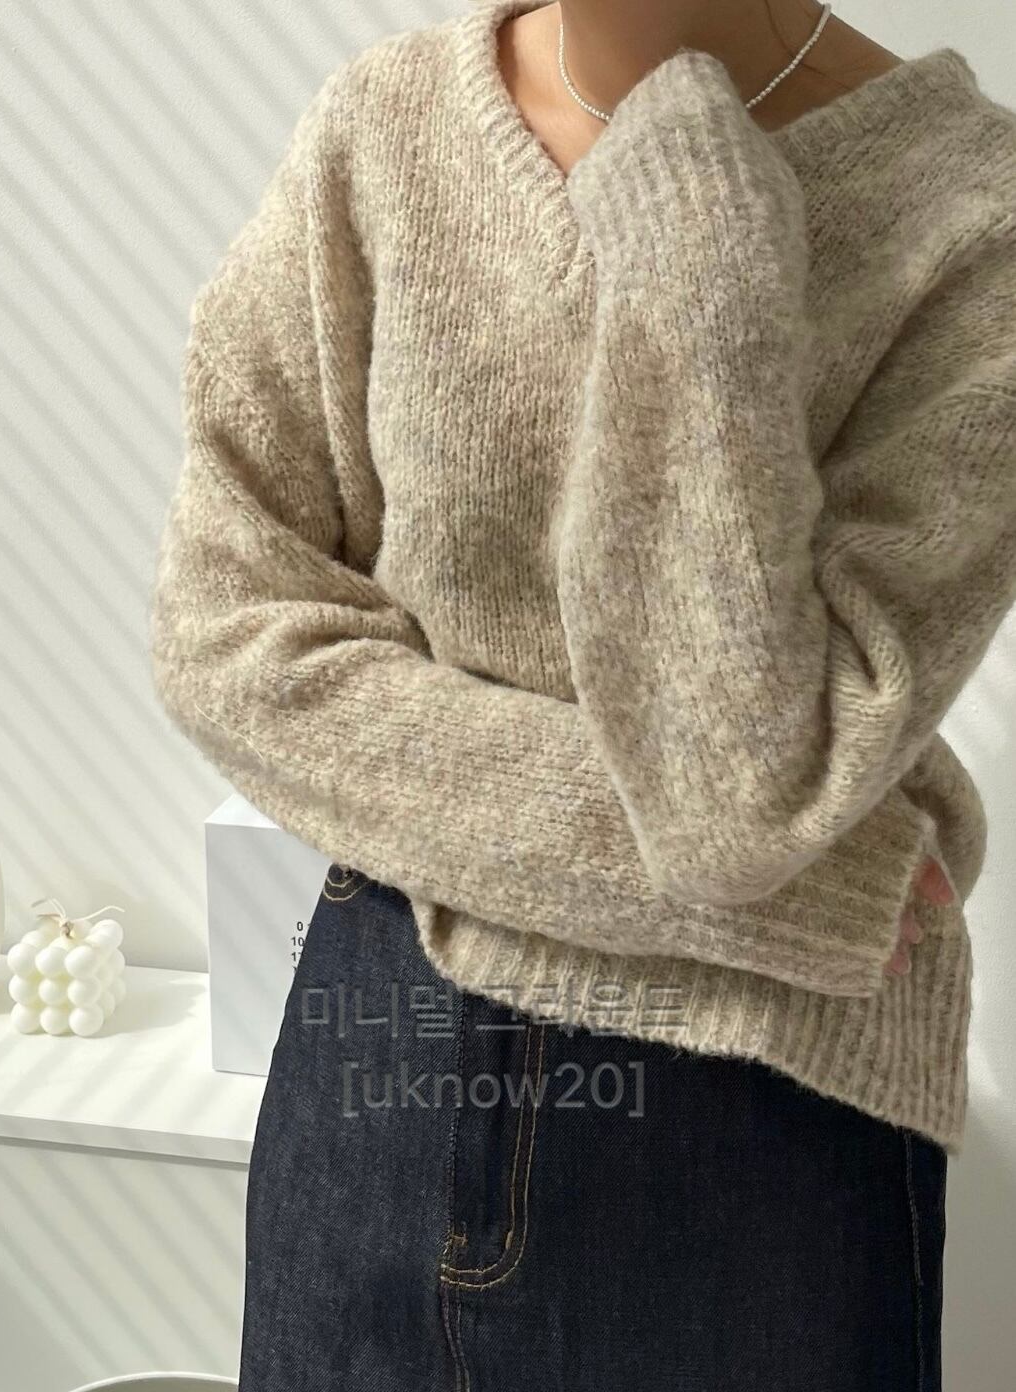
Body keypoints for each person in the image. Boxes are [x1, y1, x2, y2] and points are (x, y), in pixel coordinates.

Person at [148, 1, 1016, 1387]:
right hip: (384, 1041)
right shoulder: (386, 127)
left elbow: (744, 797)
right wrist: (802, 895)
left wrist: (692, 218)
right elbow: (229, 631)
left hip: (755, 1125)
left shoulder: (975, 214)